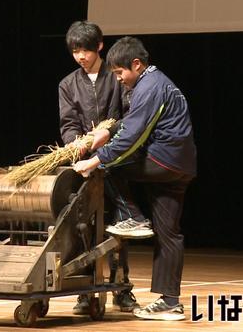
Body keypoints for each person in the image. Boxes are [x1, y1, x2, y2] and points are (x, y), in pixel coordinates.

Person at [73, 36, 197, 321]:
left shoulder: (150, 87)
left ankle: (133, 216)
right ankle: (170, 302)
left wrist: (95, 159)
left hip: (163, 160)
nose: (118, 80)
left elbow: (133, 137)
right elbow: (132, 123)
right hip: (181, 166)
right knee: (169, 232)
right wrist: (110, 129)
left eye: (120, 73)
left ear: (137, 65)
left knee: (108, 167)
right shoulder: (157, 82)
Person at [58, 21, 142, 314]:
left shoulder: (116, 76)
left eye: (86, 50)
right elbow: (68, 125)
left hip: (115, 160)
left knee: (118, 226)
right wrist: (77, 144)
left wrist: (108, 136)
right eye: (75, 51)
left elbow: (129, 117)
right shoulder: (68, 84)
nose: (81, 56)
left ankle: (122, 289)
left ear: (100, 46)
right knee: (84, 226)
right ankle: (84, 291)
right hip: (84, 163)